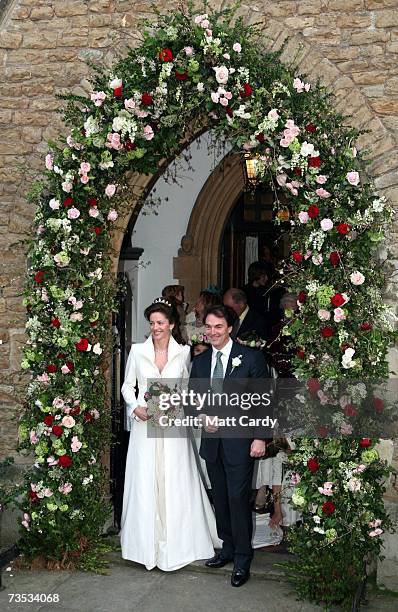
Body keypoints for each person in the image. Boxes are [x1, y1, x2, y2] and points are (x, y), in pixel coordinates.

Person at [120, 297, 220, 571]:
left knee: (175, 479)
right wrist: (135, 407)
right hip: (145, 424)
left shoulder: (184, 353)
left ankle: (179, 543)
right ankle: (144, 546)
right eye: (152, 323)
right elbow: (127, 387)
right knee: (146, 479)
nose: (155, 328)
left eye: (160, 322)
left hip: (174, 422)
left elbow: (189, 389)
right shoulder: (137, 351)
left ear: (172, 324)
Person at [189, 305, 271, 587]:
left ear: (230, 328)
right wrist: (201, 416)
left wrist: (260, 436)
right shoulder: (199, 362)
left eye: (218, 327)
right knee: (220, 498)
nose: (212, 332)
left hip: (241, 443)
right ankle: (225, 548)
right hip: (212, 443)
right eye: (208, 327)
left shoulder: (251, 358)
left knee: (238, 499)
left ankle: (242, 558)